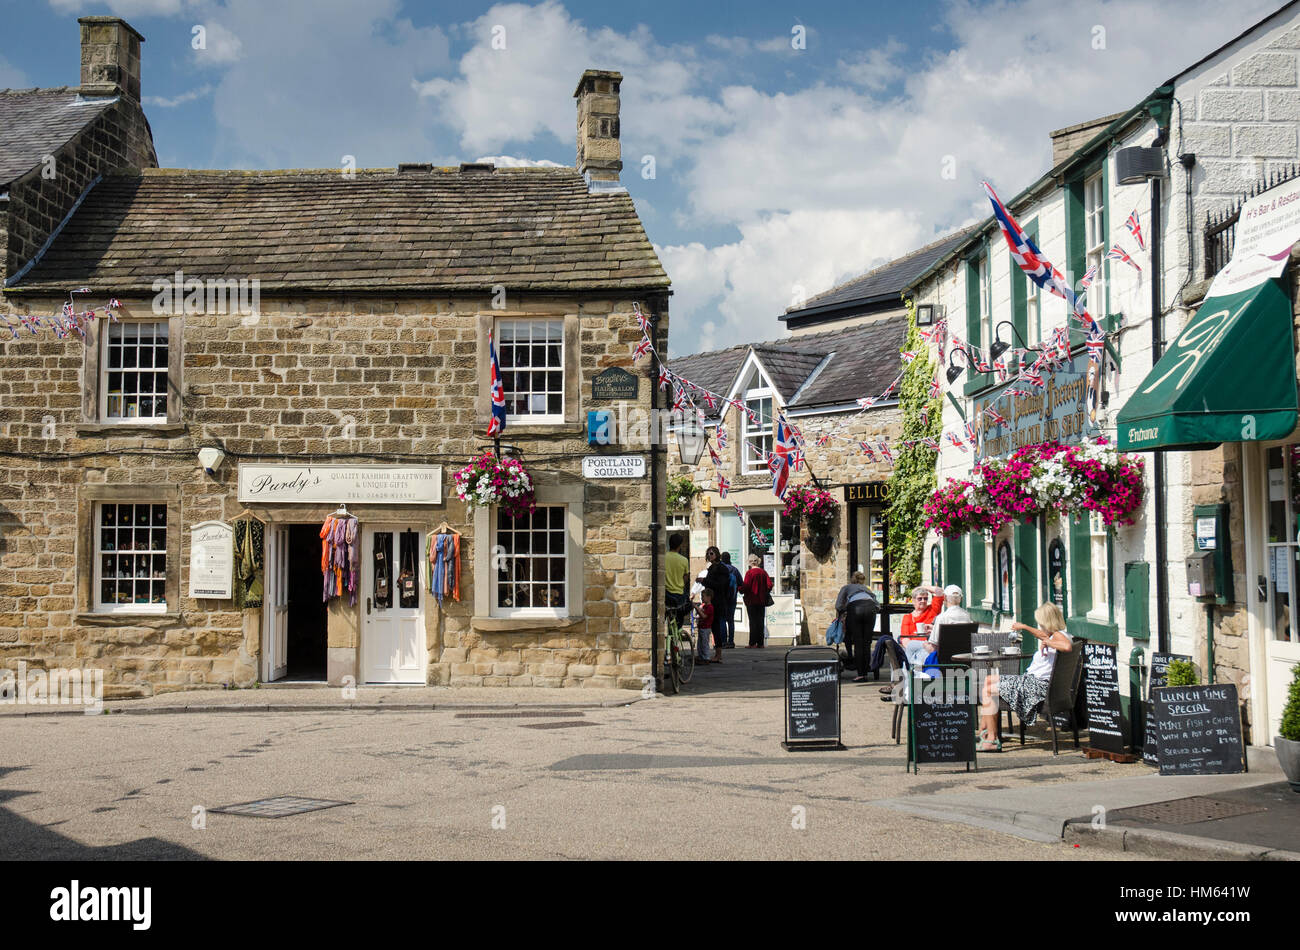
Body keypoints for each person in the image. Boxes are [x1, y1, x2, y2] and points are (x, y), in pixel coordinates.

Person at [978, 602, 1071, 752]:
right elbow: (1043, 635)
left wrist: (1048, 642)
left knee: (988, 691)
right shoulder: (1059, 634)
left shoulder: (1058, 637)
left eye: (1041, 623)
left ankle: (992, 739)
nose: (1040, 626)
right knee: (988, 680)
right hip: (1035, 682)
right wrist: (1026, 628)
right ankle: (986, 729)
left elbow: (1067, 647)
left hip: (1036, 686)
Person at [871, 585, 941, 685]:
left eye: (925, 598)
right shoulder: (908, 618)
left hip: (930, 648)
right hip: (916, 649)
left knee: (928, 654)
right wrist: (923, 645)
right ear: (913, 600)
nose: (923, 601)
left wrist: (922, 587)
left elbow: (939, 592)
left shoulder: (932, 610)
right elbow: (905, 641)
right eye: (919, 598)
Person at [834, 571, 879, 682]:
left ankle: (861, 674)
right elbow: (877, 605)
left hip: (855, 608)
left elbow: (838, 605)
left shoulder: (846, 587)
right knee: (866, 642)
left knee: (858, 642)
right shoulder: (867, 589)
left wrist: (845, 610)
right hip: (870, 608)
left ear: (852, 580)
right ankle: (866, 667)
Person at [699, 546, 732, 663]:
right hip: (711, 600)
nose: (709, 555)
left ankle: (718, 654)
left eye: (711, 553)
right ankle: (708, 652)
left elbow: (720, 585)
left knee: (716, 627)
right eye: (708, 554)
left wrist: (705, 581)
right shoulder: (712, 567)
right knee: (712, 627)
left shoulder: (722, 568)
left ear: (717, 554)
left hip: (718, 602)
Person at [923, 584, 973, 660]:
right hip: (964, 660)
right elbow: (956, 632)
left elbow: (932, 649)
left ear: (945, 597)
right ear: (961, 598)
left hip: (944, 662)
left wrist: (924, 645)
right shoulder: (967, 616)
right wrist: (934, 628)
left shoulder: (942, 617)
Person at [741, 554, 773, 648]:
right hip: (761, 600)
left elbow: (746, 586)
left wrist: (740, 589)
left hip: (751, 600)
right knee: (760, 621)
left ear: (750, 563)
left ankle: (752, 643)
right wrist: (764, 592)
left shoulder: (749, 573)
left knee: (753, 621)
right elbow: (770, 585)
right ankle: (760, 643)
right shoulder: (763, 572)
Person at [665, 534, 689, 628]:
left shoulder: (664, 557)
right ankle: (677, 635)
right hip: (679, 595)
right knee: (681, 614)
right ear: (679, 545)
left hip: (666, 594)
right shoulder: (684, 560)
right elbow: (685, 578)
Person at [720, 552, 742, 648]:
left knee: (722, 620)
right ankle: (731, 641)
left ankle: (723, 641)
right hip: (732, 599)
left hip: (722, 598)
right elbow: (741, 583)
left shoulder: (720, 569)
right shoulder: (734, 570)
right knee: (731, 620)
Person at [696, 588, 716, 663]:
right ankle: (701, 656)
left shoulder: (710, 607)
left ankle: (706, 657)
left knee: (704, 643)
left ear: (709, 597)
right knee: (700, 644)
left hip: (705, 628)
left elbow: (704, 616)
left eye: (703, 596)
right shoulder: (704, 606)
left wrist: (697, 608)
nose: (702, 598)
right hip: (702, 627)